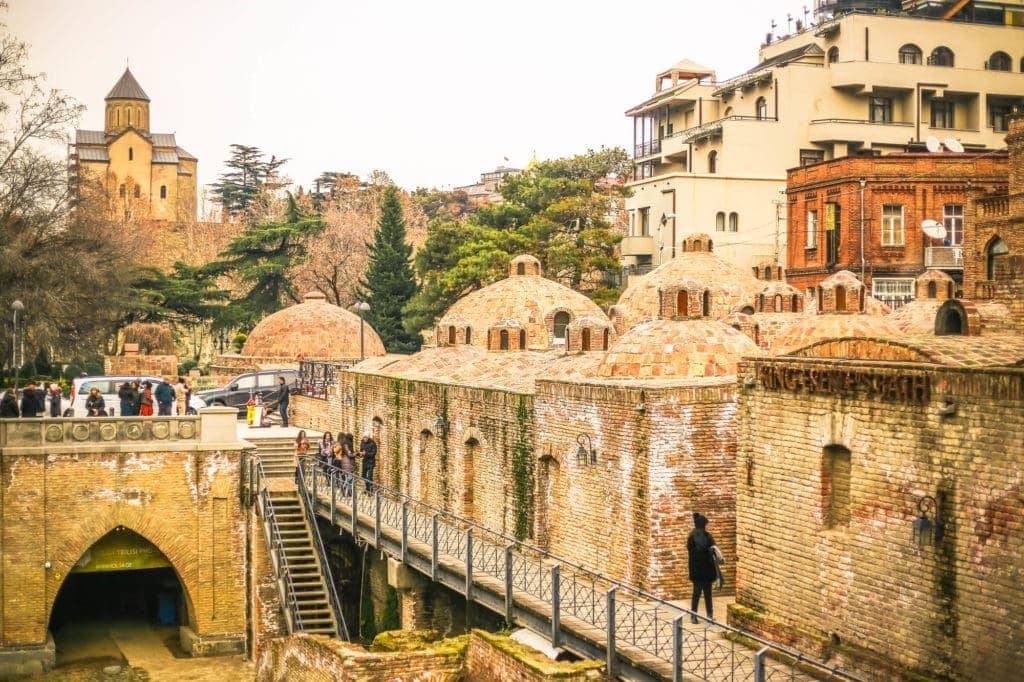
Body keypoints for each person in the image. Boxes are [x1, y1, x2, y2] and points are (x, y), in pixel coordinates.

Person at [686, 512, 718, 624]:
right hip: (707, 570)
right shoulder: (708, 536)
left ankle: (693, 616)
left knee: (696, 594)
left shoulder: (691, 537)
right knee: (708, 594)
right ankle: (709, 616)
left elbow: (690, 550)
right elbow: (713, 550)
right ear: (703, 525)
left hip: (696, 570)